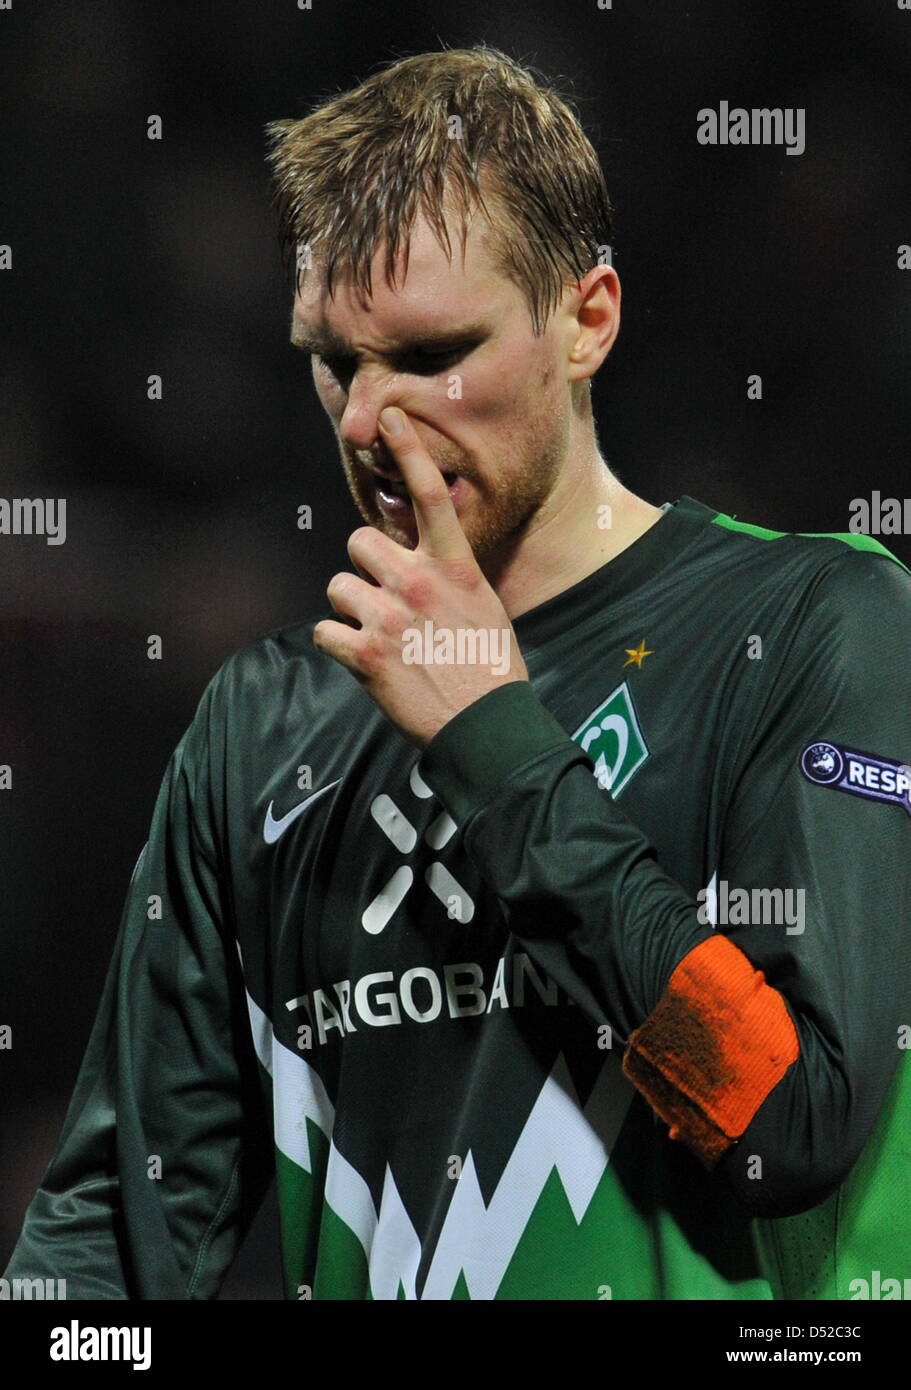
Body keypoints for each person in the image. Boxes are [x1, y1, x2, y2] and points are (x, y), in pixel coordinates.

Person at [5, 44, 911, 1301]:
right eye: (334, 361)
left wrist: (496, 739)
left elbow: (789, 1118)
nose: (369, 421)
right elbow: (114, 1234)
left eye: (431, 355)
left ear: (585, 319)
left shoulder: (818, 621)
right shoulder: (265, 717)